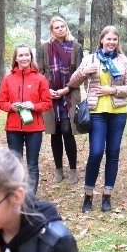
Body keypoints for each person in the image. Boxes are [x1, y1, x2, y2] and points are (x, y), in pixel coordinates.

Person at [68, 25, 127, 213]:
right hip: (96, 112)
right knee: (96, 152)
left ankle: (107, 195)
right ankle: (88, 195)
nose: (112, 43)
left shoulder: (123, 60)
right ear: (101, 40)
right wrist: (84, 72)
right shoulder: (90, 59)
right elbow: (73, 82)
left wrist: (113, 90)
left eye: (115, 40)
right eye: (108, 39)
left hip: (117, 113)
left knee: (113, 153)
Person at [0, 44, 53, 195]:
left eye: (26, 55)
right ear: (16, 58)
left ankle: (30, 197)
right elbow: (1, 102)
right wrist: (11, 107)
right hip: (13, 128)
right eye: (20, 55)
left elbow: (47, 103)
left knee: (32, 164)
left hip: (34, 128)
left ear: (31, 57)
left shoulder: (40, 78)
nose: (24, 58)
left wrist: (33, 106)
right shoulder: (8, 79)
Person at [39, 16, 85, 185]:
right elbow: (40, 72)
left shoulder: (76, 47)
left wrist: (66, 88)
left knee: (67, 129)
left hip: (69, 94)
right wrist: (47, 89)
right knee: (55, 131)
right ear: (51, 30)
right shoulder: (45, 48)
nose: (60, 29)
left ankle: (73, 170)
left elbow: (80, 73)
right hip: (50, 95)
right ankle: (59, 170)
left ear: (66, 28)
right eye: (56, 27)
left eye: (63, 26)